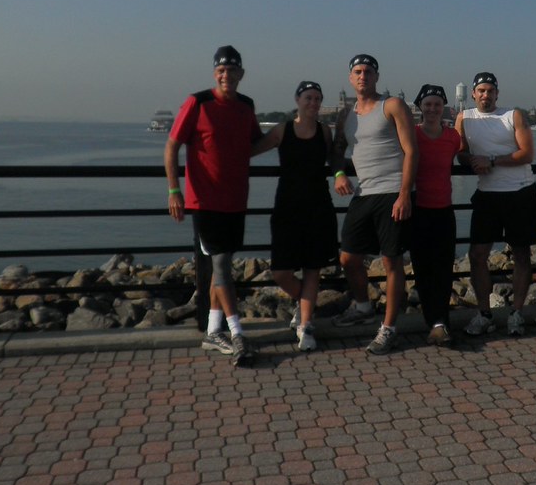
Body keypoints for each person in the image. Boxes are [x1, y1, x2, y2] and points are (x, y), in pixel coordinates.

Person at [165, 45, 263, 363]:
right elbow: (172, 147)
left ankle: (212, 330)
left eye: (232, 70)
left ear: (241, 74)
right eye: (221, 70)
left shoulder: (246, 106)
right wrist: (173, 191)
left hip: (236, 200)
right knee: (221, 267)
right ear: (214, 73)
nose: (227, 76)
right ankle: (237, 334)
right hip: (204, 202)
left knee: (221, 268)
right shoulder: (198, 102)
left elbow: (248, 146)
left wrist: (284, 136)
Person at [331, 54, 418, 355]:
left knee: (392, 261)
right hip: (363, 193)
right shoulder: (346, 113)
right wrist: (340, 172)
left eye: (368, 71)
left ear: (377, 77)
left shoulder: (392, 105)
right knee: (348, 258)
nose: (363, 76)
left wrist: (405, 194)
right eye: (357, 71)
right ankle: (364, 306)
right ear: (350, 77)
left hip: (392, 191)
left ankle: (389, 328)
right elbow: (337, 150)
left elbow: (411, 151)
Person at [251, 81, 338, 352]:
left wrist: (340, 174)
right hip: (287, 208)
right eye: (308, 98)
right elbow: (250, 150)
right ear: (297, 100)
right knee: (280, 272)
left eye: (317, 99)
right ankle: (304, 307)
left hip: (318, 207)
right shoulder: (282, 130)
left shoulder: (324, 131)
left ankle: (306, 324)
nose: (313, 103)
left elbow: (335, 158)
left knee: (313, 268)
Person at [455, 72, 536, 337]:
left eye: (490, 91)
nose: (486, 95)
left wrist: (491, 160)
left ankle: (516, 313)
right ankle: (484, 314)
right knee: (477, 255)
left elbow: (527, 153)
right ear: (473, 94)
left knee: (522, 254)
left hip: (519, 193)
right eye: (481, 90)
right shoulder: (464, 118)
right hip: (487, 196)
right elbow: (460, 153)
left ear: (497, 94)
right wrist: (472, 162)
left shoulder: (512, 115)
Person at [411, 84, 461, 346]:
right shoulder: (410, 135)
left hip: (444, 210)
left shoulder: (453, 137)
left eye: (437, 105)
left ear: (444, 108)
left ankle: (441, 322)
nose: (432, 109)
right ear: (420, 107)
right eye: (427, 104)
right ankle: (434, 320)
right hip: (417, 210)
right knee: (422, 269)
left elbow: (463, 156)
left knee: (443, 268)